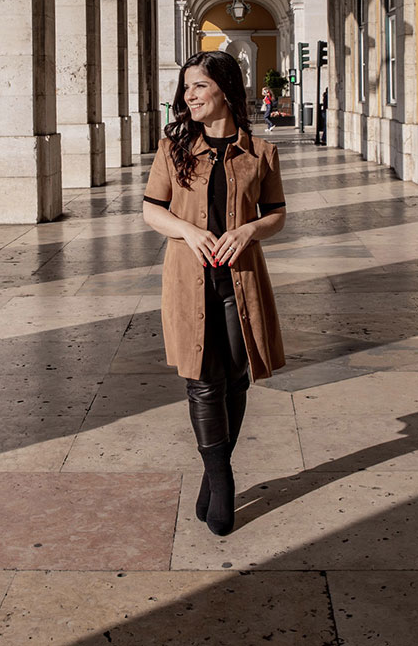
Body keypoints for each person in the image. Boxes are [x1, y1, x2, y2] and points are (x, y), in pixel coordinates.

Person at [142, 51, 287, 536]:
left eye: (199, 86)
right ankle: (222, 480)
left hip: (240, 280)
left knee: (237, 378)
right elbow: (150, 210)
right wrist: (187, 231)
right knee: (203, 380)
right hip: (190, 280)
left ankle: (210, 477)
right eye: (186, 89)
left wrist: (248, 233)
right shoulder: (174, 147)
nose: (190, 96)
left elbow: (277, 214)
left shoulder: (261, 153)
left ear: (224, 88)